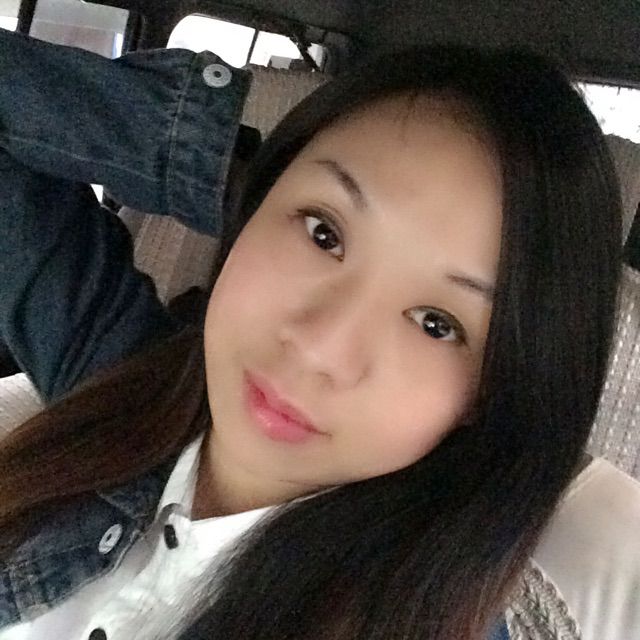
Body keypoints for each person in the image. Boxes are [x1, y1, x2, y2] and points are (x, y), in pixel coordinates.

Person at [0, 26, 622, 640]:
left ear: (491, 392)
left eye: (436, 324)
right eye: (324, 232)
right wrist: (214, 165)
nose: (320, 347)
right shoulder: (124, 381)